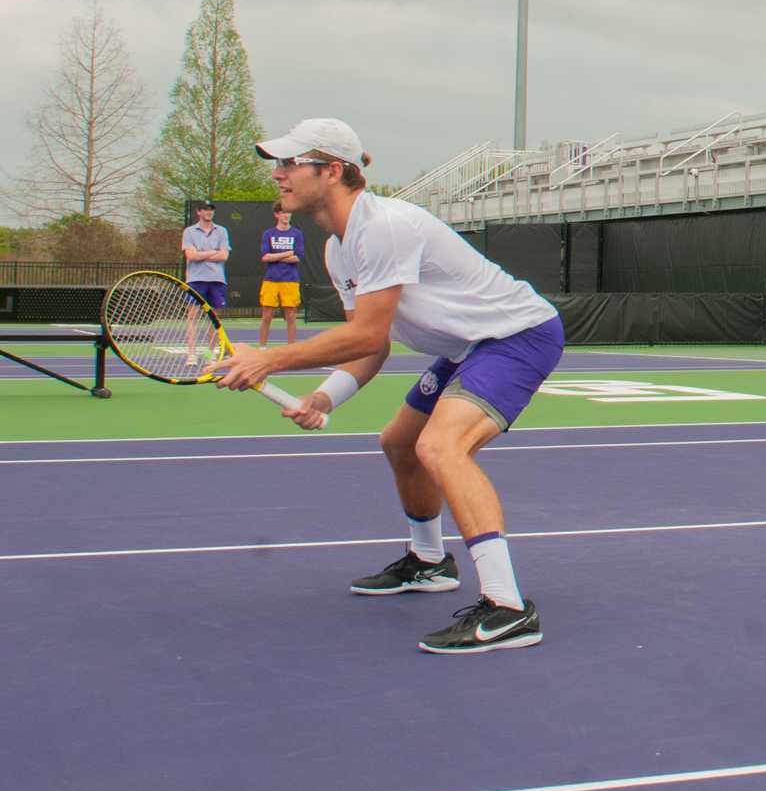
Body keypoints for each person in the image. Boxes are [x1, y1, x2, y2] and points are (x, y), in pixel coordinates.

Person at [215, 118, 565, 655]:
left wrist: (270, 360)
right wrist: (324, 396)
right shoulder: (339, 248)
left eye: (289, 163)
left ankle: (508, 609)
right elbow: (370, 347)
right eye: (278, 164)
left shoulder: (386, 226)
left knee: (440, 446)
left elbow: (367, 331)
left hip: (517, 337)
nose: (278, 174)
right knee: (399, 443)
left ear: (332, 171)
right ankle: (429, 562)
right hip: (465, 348)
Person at [181, 200, 230, 364]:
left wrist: (202, 254)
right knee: (192, 316)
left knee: (214, 319)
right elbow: (191, 256)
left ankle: (211, 355)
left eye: (211, 210)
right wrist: (212, 252)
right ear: (199, 212)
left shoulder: (222, 231)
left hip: (216, 279)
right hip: (195, 279)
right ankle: (192, 354)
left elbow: (224, 256)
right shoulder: (189, 231)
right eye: (206, 209)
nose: (209, 212)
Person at [257, 203, 305, 347]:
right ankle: (262, 348)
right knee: (266, 316)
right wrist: (286, 253)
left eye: (288, 212)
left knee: (290, 315)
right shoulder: (268, 234)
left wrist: (276, 256)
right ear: (277, 214)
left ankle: (291, 348)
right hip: (271, 279)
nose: (286, 215)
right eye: (283, 212)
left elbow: (297, 258)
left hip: (290, 280)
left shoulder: (297, 234)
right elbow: (265, 257)